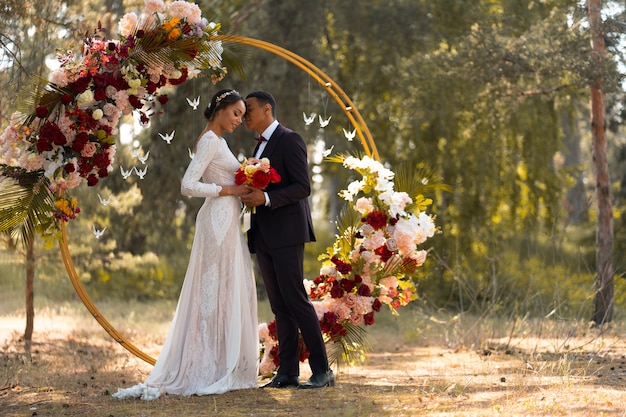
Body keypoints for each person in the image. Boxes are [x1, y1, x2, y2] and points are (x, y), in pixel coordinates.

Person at [112, 89, 258, 400]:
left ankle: (220, 362)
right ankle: (202, 364)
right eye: (235, 113)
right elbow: (188, 185)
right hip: (216, 223)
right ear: (220, 109)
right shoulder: (208, 140)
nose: (238, 120)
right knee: (211, 291)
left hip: (228, 222)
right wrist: (232, 190)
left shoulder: (219, 142)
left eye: (242, 116)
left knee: (225, 290)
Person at [241, 91, 334, 389]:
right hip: (264, 233)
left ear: (267, 109)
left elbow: (302, 187)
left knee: (296, 300)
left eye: (249, 110)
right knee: (279, 305)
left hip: (288, 232)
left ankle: (323, 371)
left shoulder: (290, 139)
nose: (245, 117)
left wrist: (266, 197)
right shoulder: (257, 147)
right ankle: (288, 372)